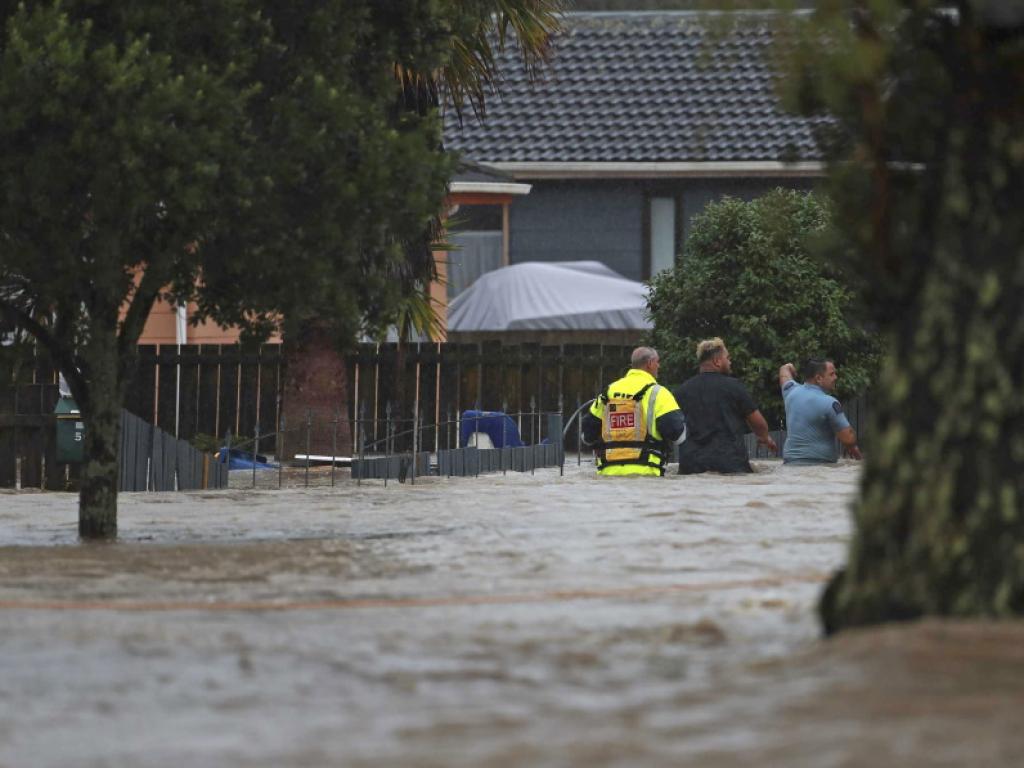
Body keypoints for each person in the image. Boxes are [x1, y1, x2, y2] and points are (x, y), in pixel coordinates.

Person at [673, 338, 776, 474]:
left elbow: (673, 426)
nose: (730, 362)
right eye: (727, 358)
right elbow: (759, 423)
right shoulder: (734, 387)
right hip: (730, 464)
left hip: (691, 466)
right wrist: (764, 437)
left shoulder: (681, 391)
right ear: (717, 361)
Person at [581, 346, 684, 476]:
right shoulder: (659, 393)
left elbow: (587, 437)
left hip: (608, 476)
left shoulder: (608, 392)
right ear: (650, 363)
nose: (659, 366)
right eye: (658, 362)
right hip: (648, 474)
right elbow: (679, 436)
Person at [778, 358, 862, 464]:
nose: (835, 377)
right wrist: (853, 446)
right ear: (818, 378)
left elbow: (783, 373)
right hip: (820, 467)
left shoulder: (790, 391)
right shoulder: (830, 403)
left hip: (790, 464)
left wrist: (787, 366)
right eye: (832, 374)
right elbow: (849, 439)